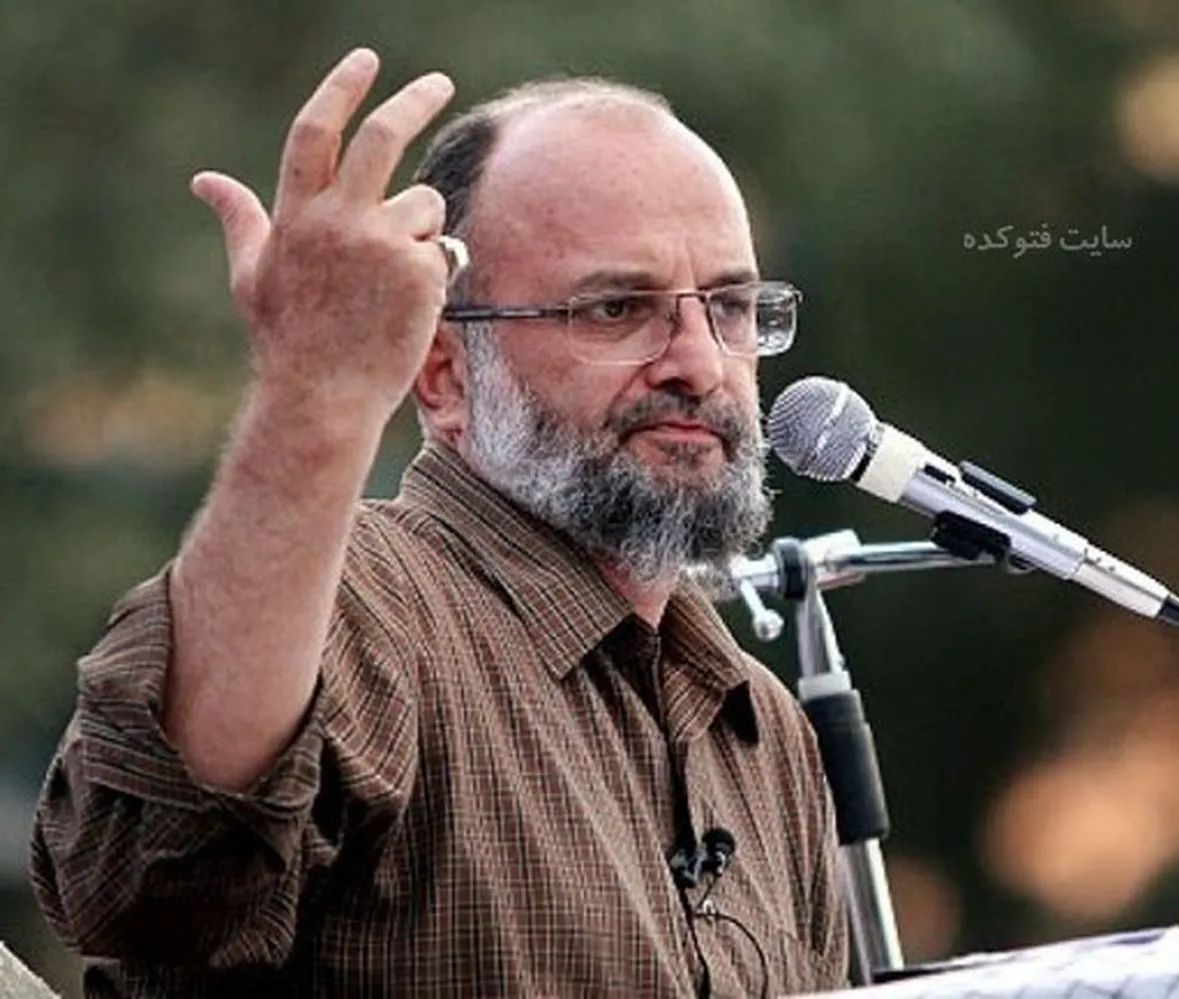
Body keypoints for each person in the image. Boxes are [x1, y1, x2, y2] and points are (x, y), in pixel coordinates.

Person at [29, 47, 849, 998]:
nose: (701, 363)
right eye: (616, 308)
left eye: (732, 307)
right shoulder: (357, 608)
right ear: (444, 370)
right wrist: (312, 392)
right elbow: (143, 878)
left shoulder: (765, 730)